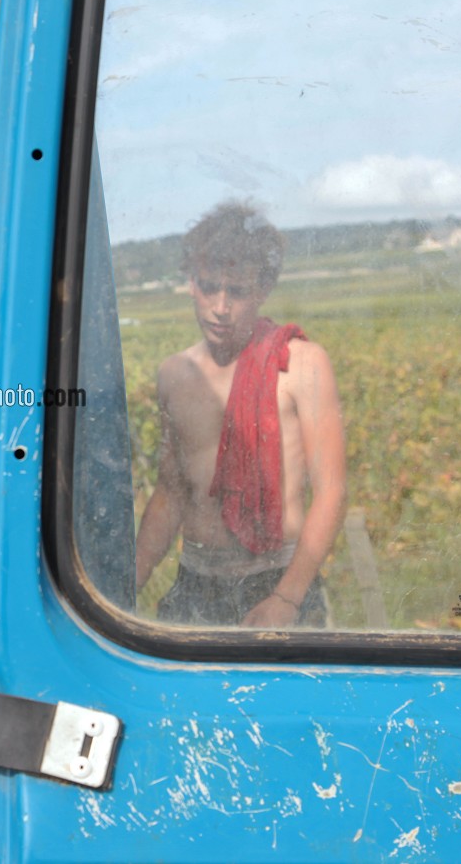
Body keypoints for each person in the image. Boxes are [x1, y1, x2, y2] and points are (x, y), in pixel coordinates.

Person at [134, 202, 346, 627]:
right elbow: (170, 493)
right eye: (210, 287)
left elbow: (332, 493)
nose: (221, 306)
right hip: (195, 583)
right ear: (191, 283)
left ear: (263, 289)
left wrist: (287, 599)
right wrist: (127, 583)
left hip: (275, 580)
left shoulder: (300, 365)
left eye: (238, 291)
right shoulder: (176, 374)